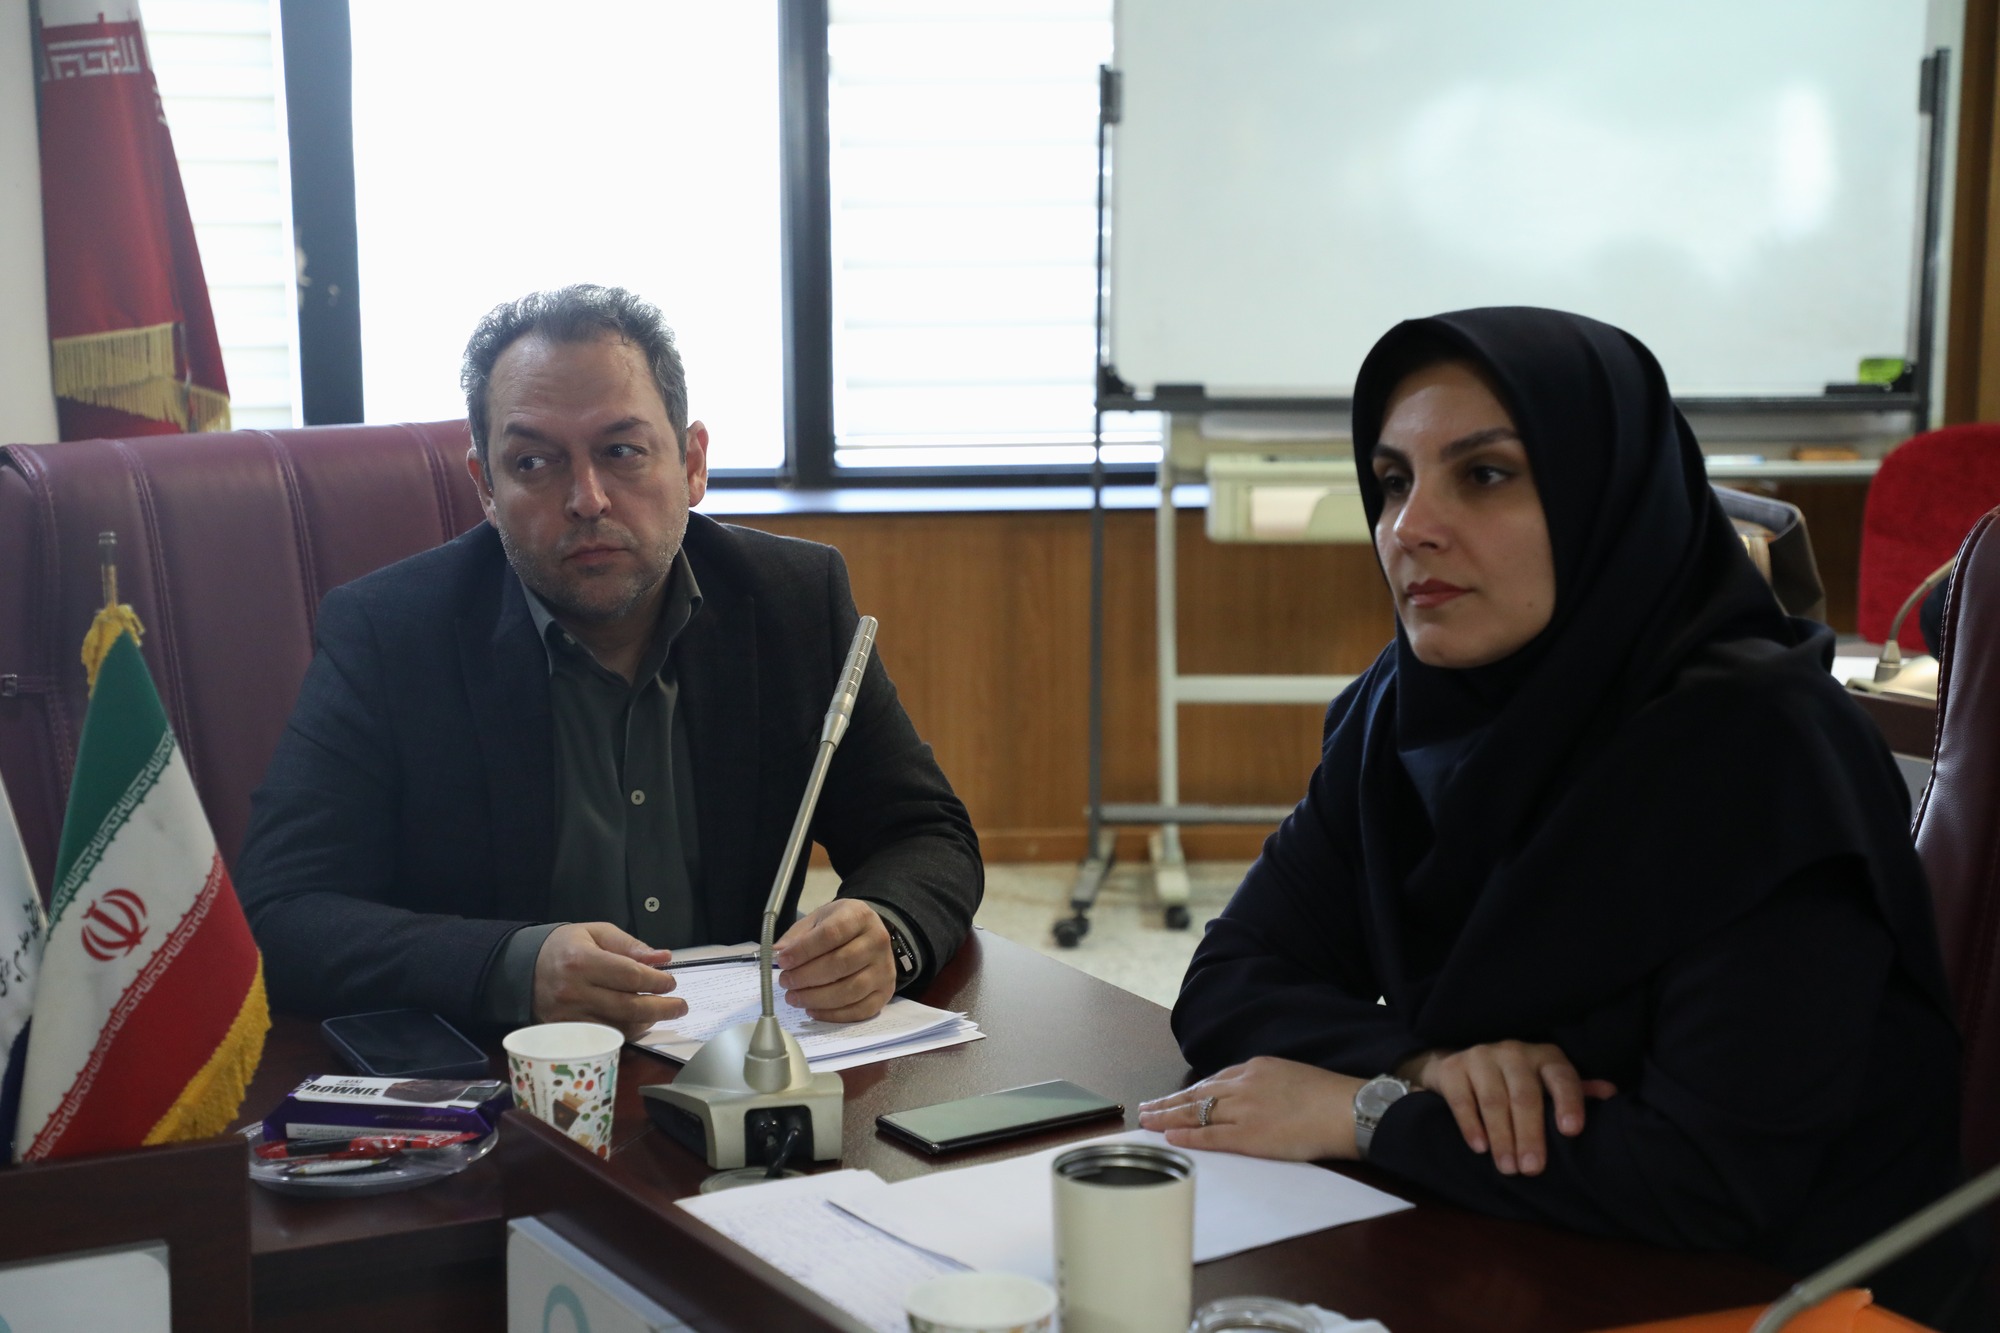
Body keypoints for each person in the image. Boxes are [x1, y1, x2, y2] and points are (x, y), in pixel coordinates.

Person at [1136, 308, 1985, 1326]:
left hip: (1787, 1295)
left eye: (1484, 474)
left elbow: (1706, 1178)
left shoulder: (1761, 749)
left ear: (1604, 499)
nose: (1409, 526)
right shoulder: (1399, 712)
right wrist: (1423, 1063)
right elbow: (1227, 980)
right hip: (1516, 1246)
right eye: (1393, 481)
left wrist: (1369, 1113)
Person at [237, 285, 982, 1038]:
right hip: (508, 1074)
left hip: (744, 1066)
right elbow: (282, 910)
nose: (587, 499)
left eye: (622, 452)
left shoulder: (792, 601)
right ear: (486, 488)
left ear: (692, 464)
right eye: (534, 462)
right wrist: (509, 965)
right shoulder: (389, 633)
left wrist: (885, 930)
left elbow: (925, 833)